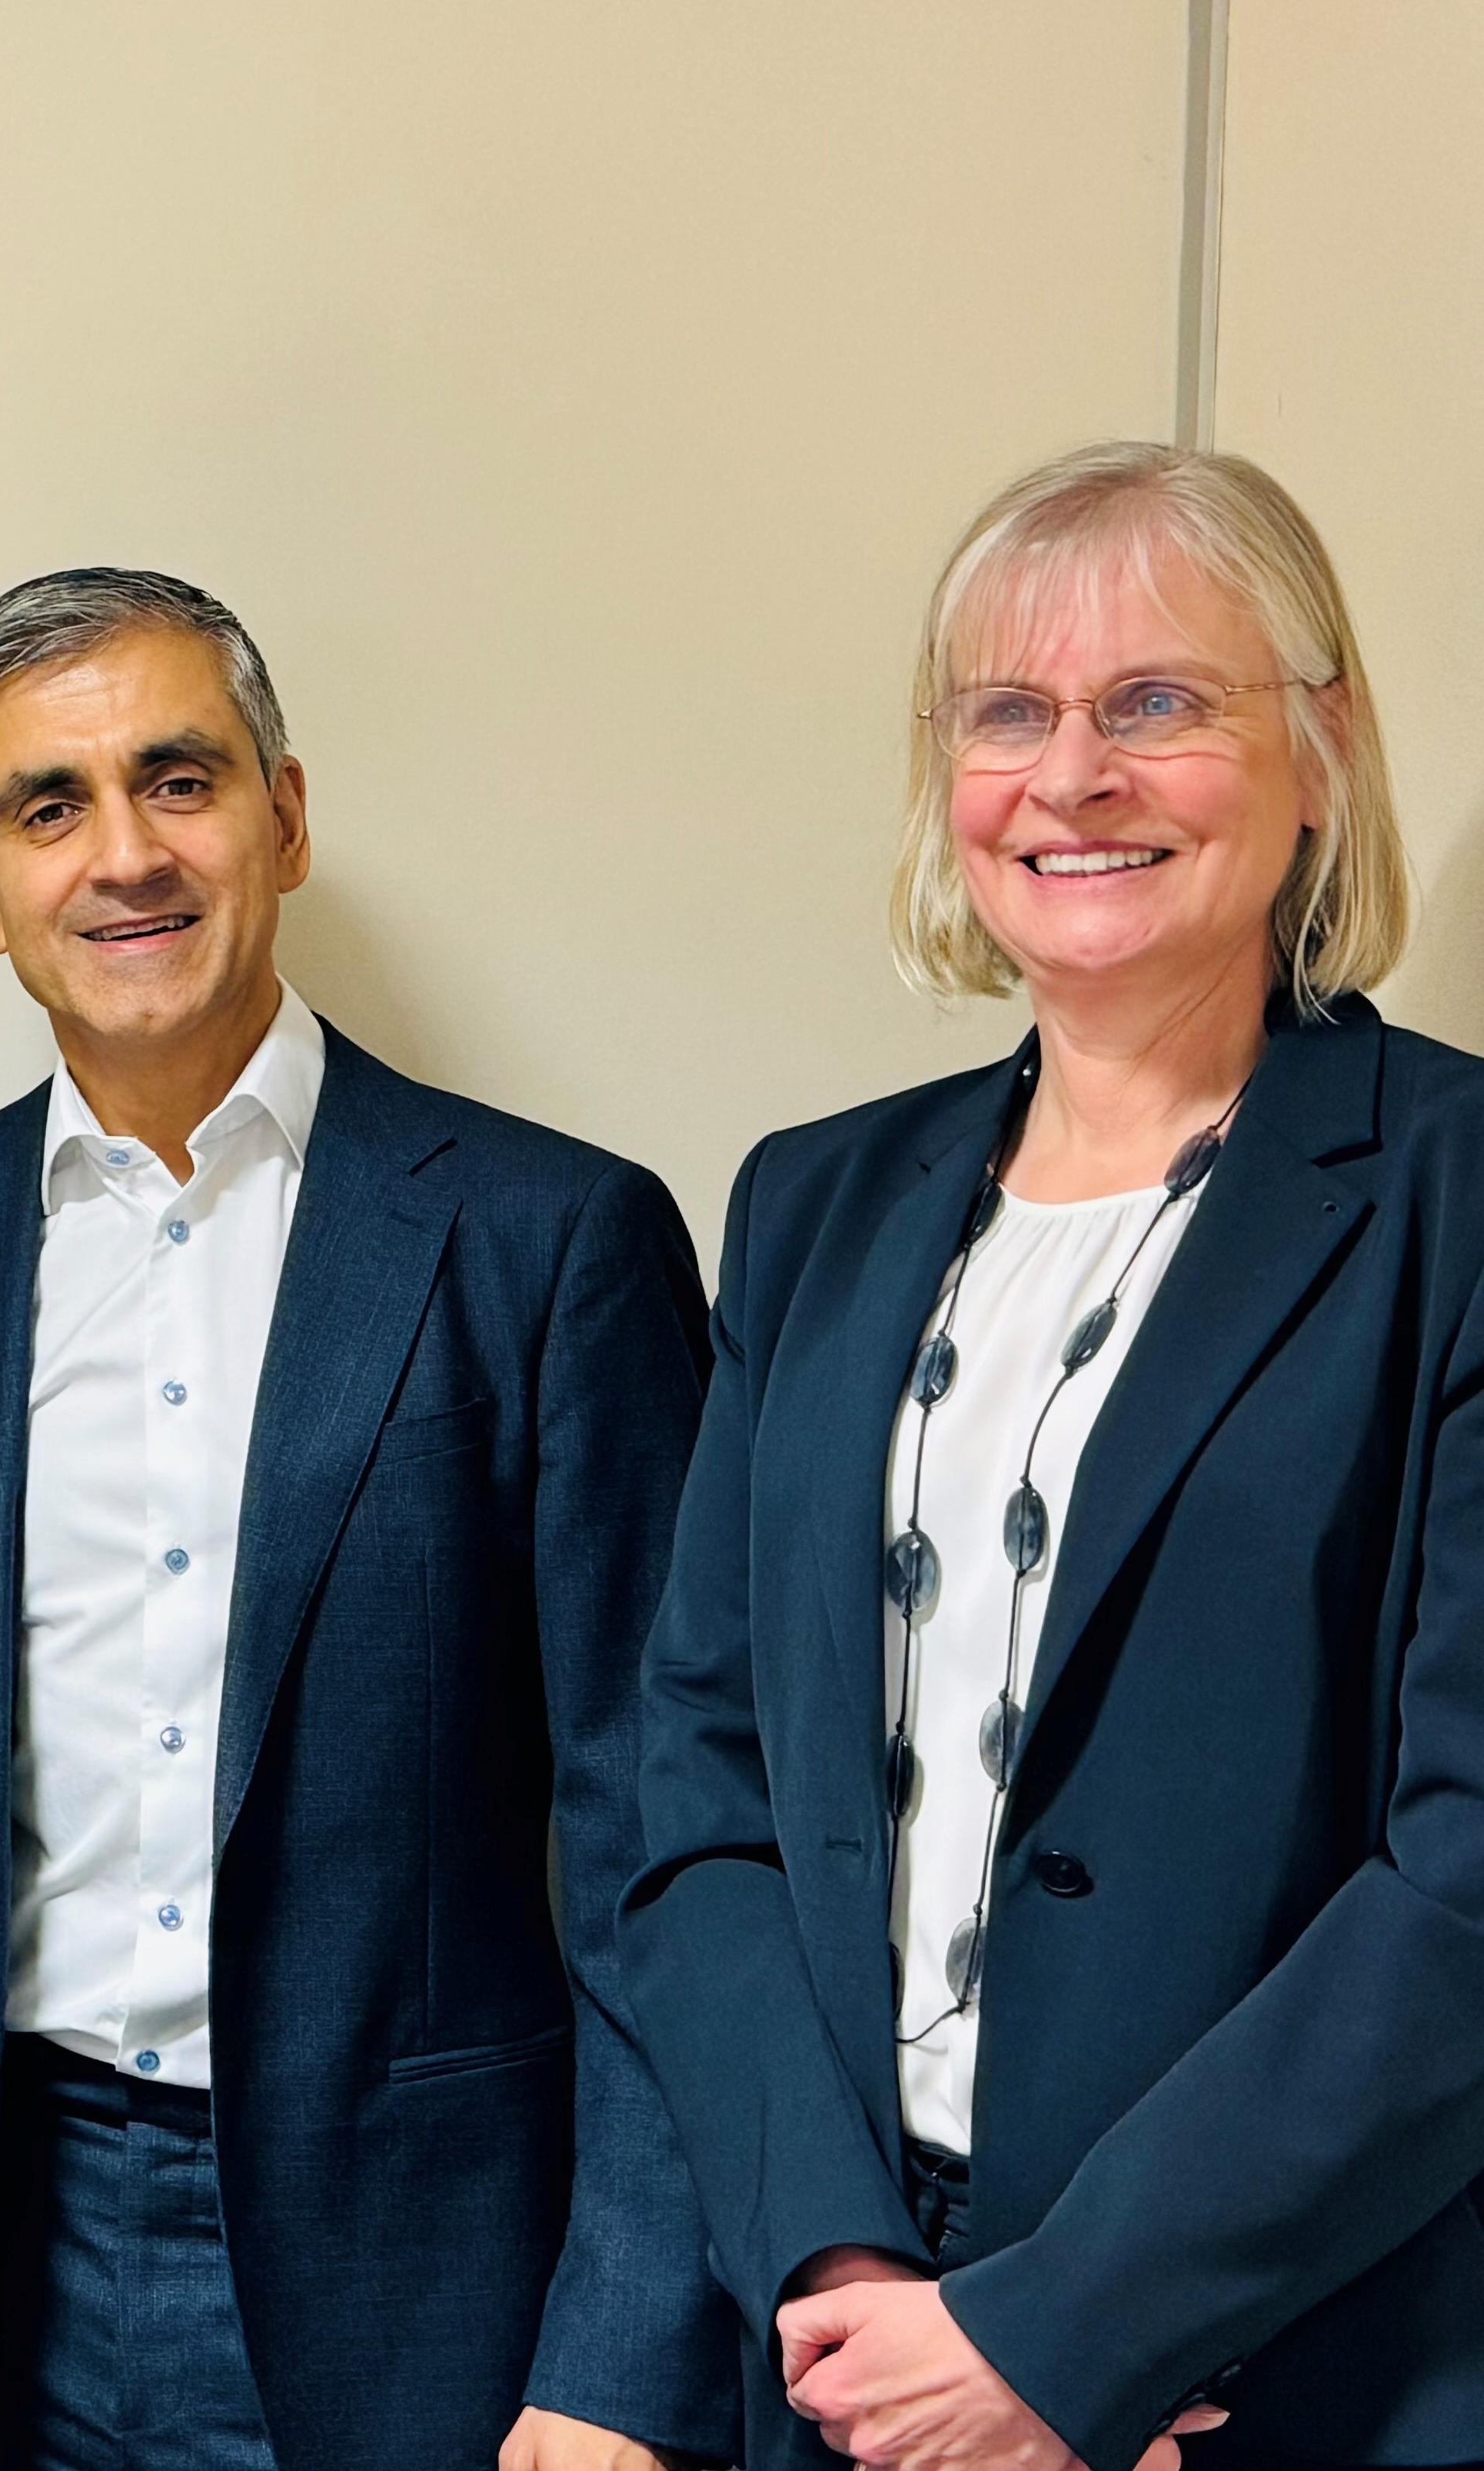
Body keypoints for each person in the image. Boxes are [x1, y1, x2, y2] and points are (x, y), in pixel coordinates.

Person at [0, 570, 727, 2471]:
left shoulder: (549, 1247)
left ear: (286, 815)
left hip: (416, 2286)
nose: (124, 854)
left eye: (178, 780)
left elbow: (672, 1842)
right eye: (49, 807)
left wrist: (624, 2348)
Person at [621, 442, 1484, 2471]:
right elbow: (699, 1794)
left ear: (1324, 747)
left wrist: (1078, 2324)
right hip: (851, 2356)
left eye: (1159, 703)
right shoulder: (815, 1205)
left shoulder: (1456, 1194)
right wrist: (829, 2270)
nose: (1073, 774)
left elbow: (1469, 1864)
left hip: (1275, 2361)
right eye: (1010, 711)